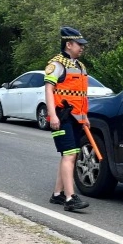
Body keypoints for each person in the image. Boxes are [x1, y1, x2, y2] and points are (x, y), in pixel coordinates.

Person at [45, 26, 91, 212]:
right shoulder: (57, 65)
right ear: (68, 44)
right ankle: (70, 198)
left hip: (76, 118)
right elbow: (49, 90)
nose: (82, 48)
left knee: (68, 155)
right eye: (79, 44)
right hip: (62, 116)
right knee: (70, 155)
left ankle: (58, 194)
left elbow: (81, 95)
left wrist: (85, 116)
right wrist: (53, 115)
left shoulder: (80, 66)